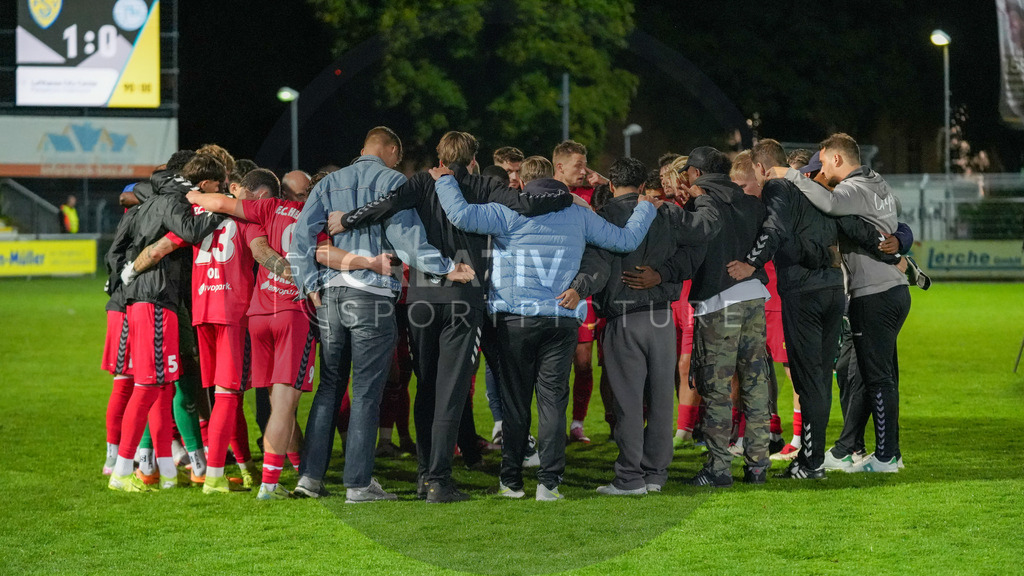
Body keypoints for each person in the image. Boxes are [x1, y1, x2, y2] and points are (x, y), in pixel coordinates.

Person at [328, 131, 573, 502]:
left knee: (426, 387)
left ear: (440, 156)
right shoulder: (483, 185)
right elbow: (525, 203)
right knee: (451, 391)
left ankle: (424, 476)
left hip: (421, 299)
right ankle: (439, 481)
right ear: (473, 159)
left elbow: (386, 205)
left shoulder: (420, 182)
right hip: (463, 298)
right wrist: (564, 196)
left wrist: (347, 220)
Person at [427, 158, 658, 501]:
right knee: (553, 403)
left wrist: (445, 181)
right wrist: (646, 207)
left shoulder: (507, 212)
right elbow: (625, 241)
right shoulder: (578, 214)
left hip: (514, 319)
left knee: (515, 403)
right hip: (560, 319)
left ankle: (511, 482)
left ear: (523, 185)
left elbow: (459, 215)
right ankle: (548, 484)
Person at [288, 126, 464, 503]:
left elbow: (301, 236)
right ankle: (358, 484)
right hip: (371, 294)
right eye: (398, 156)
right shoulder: (392, 181)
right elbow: (407, 240)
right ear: (392, 150)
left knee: (330, 387)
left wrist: (309, 283)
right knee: (367, 392)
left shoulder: (329, 182)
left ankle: (310, 479)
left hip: (332, 295)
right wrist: (446, 267)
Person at [565, 157, 717, 495]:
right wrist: (664, 275)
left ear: (611, 185)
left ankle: (630, 478)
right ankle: (655, 475)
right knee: (662, 399)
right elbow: (703, 235)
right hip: (662, 316)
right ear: (644, 184)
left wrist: (578, 289)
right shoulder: (666, 212)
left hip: (623, 317)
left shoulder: (604, 217)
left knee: (628, 402)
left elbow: (597, 268)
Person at [186, 168, 316, 500]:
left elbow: (168, 241)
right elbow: (262, 251)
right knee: (246, 399)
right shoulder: (297, 214)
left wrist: (193, 196)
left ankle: (255, 467)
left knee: (243, 397)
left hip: (220, 310)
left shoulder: (217, 212)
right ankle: (226, 476)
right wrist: (303, 279)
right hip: (252, 311)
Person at [787, 133, 911, 473]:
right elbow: (893, 223)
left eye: (824, 162)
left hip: (873, 293)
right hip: (893, 290)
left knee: (877, 379)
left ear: (837, 158)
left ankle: (885, 456)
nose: (823, 171)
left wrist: (789, 175)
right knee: (877, 375)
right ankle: (880, 451)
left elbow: (830, 204)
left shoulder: (852, 189)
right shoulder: (876, 181)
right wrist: (903, 238)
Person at [726, 139, 847, 478]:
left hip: (804, 292)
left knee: (808, 380)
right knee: (818, 379)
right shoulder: (813, 187)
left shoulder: (778, 188)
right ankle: (812, 458)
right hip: (832, 288)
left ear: (761, 168)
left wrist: (751, 263)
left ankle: (810, 462)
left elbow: (776, 230)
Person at [107, 156, 225, 492]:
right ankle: (121, 472)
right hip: (157, 300)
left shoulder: (143, 207)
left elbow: (116, 251)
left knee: (159, 388)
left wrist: (124, 278)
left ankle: (163, 472)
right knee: (148, 388)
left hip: (142, 300)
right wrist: (222, 210)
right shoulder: (171, 203)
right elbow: (190, 230)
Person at [681, 146, 772, 488]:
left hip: (720, 303)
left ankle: (719, 468)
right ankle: (758, 466)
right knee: (755, 382)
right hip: (754, 297)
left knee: (717, 388)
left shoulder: (703, 202)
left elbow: (692, 245)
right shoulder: (751, 202)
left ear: (696, 173)